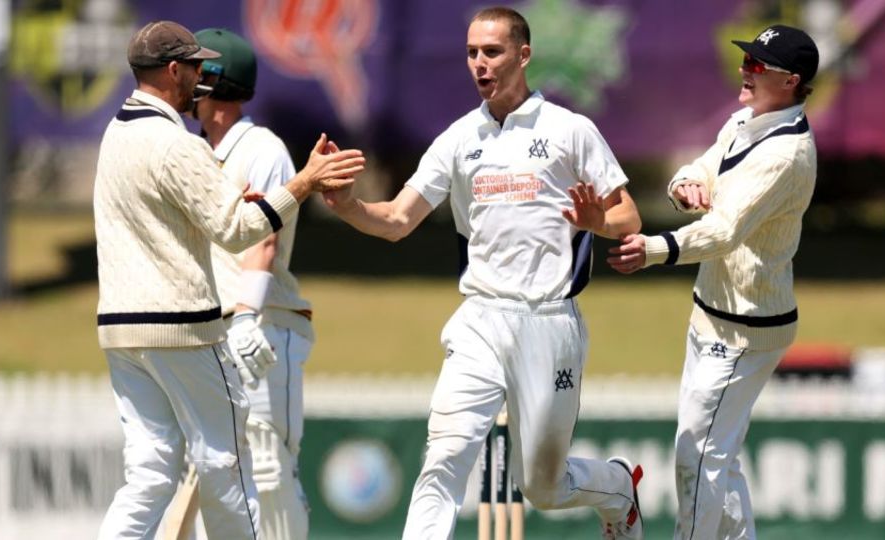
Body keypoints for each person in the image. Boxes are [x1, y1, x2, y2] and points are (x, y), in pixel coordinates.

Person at [322, 7, 644, 540]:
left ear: (523, 55)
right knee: (444, 454)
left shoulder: (570, 130)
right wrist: (348, 206)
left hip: (550, 322)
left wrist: (596, 221)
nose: (479, 64)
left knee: (544, 487)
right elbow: (399, 220)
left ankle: (616, 488)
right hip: (480, 320)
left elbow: (628, 216)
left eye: (491, 52)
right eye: (471, 53)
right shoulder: (457, 139)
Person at [94, 20, 363, 540]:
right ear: (174, 70)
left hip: (120, 329)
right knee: (229, 461)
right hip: (181, 327)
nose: (198, 75)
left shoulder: (114, 134)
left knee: (150, 472)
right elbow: (239, 230)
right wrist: (303, 183)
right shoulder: (176, 145)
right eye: (192, 64)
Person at [607, 25, 819, 540]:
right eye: (747, 60)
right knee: (716, 455)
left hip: (747, 329)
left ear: (790, 81)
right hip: (711, 313)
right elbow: (705, 165)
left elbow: (724, 232)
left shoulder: (786, 155)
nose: (744, 70)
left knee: (696, 453)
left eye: (757, 66)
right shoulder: (749, 121)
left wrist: (655, 249)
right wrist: (685, 183)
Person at [191, 27, 314, 540]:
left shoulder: (262, 148)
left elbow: (263, 239)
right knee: (213, 468)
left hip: (265, 329)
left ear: (215, 82)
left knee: (266, 461)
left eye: (194, 72)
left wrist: (246, 315)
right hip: (209, 335)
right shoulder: (190, 153)